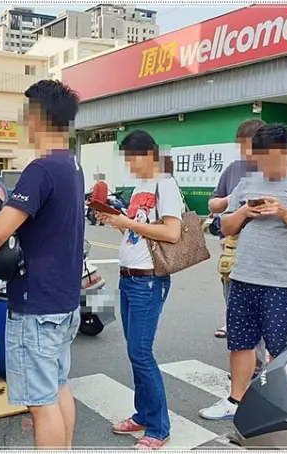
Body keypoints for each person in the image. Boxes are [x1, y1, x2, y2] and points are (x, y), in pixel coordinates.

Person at [0, 80, 83, 449]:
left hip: (37, 306)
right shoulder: (73, 166)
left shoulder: (42, 169)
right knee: (59, 387)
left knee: (40, 404)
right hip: (63, 302)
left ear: (37, 117)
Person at [199, 124, 287, 421]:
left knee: (279, 348)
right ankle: (235, 400)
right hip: (243, 278)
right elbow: (225, 228)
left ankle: (278, 405)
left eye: (271, 158)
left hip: (282, 283)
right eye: (260, 158)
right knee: (240, 343)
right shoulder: (248, 183)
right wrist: (244, 212)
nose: (265, 165)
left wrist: (283, 212)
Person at [95, 130, 183, 450]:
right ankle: (143, 414)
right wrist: (115, 221)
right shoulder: (140, 187)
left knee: (140, 353)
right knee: (135, 352)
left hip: (149, 279)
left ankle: (159, 428)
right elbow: (137, 230)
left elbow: (172, 233)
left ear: (148, 154)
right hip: (129, 276)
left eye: (131, 158)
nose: (129, 165)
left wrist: (128, 223)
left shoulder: (165, 183)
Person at [207, 118, 264, 340]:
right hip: (232, 243)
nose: (243, 153)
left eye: (246, 146)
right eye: (240, 147)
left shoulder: (276, 171)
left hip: (261, 245)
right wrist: (230, 200)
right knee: (230, 287)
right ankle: (233, 322)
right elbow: (212, 203)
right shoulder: (234, 169)